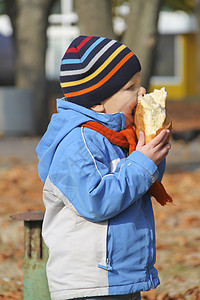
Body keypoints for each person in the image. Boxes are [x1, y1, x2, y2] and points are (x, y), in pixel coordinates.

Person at [36, 35, 171, 300]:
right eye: (131, 87)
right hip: (90, 281)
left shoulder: (120, 135)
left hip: (123, 276)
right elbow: (96, 200)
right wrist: (143, 163)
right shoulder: (78, 142)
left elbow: (142, 184)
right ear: (98, 101)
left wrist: (153, 155)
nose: (142, 91)